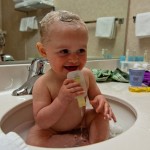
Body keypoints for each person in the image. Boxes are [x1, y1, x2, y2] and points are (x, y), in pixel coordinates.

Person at [26, 10, 116, 148]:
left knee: (101, 117)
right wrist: (61, 100)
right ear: (44, 51)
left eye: (81, 50)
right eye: (64, 51)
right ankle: (72, 141)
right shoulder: (43, 84)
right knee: (33, 138)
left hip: (81, 122)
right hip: (52, 130)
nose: (74, 59)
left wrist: (100, 101)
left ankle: (95, 145)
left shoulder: (86, 75)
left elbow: (96, 95)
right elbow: (42, 122)